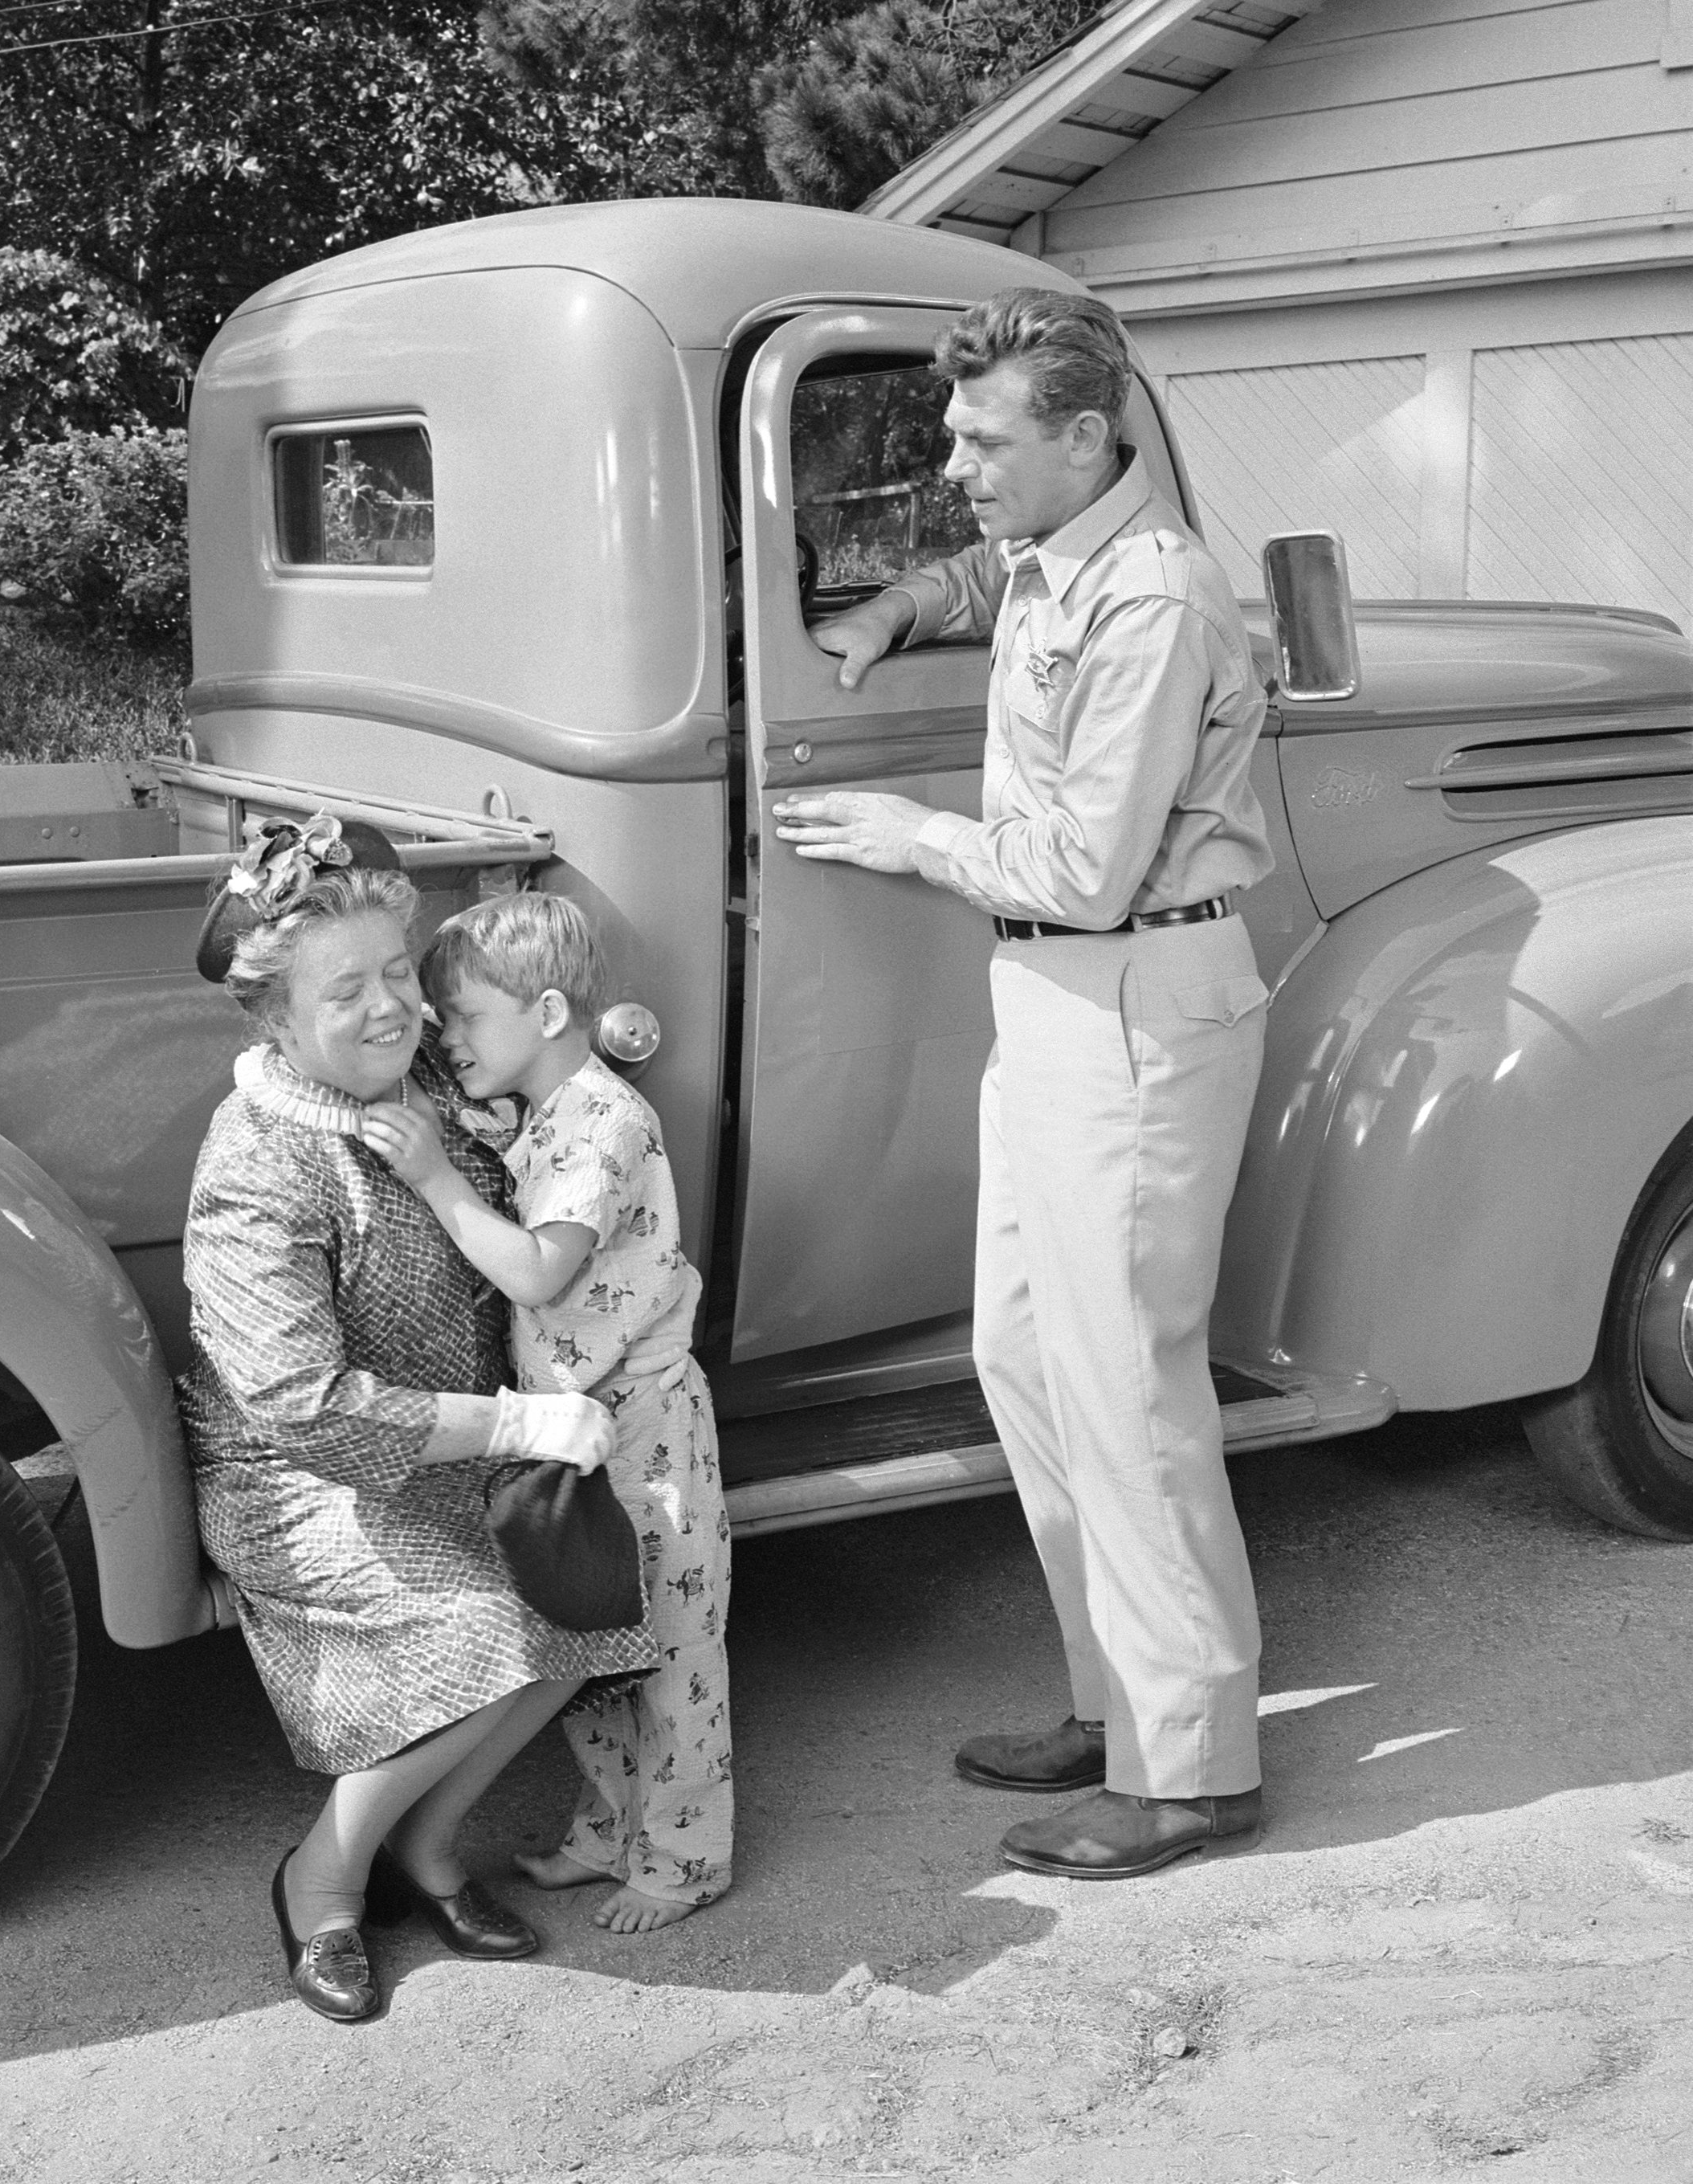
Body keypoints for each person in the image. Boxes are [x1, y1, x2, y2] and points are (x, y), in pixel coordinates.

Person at [771, 288, 1275, 1881]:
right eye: (951, 435)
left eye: (985, 440)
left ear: (1080, 434)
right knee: (1025, 1355)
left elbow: (1085, 869)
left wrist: (909, 834)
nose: (956, 462)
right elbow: (996, 569)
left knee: (1127, 1392)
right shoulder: (1063, 552)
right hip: (1059, 1010)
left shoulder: (1156, 599)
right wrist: (900, 606)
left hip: (1129, 990)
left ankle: (1192, 1767)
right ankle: (1115, 1697)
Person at [179, 818, 659, 2023]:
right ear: (279, 1024)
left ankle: (428, 1848)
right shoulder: (259, 1162)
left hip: (469, 1441)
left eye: (402, 971)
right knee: (494, 1628)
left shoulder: (431, 1077)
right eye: (351, 991)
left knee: (593, 1604)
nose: (399, 1007)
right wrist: (516, 1427)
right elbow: (301, 1407)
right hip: (308, 1475)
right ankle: (321, 1881)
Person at [360, 892, 733, 1934]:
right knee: (594, 1637)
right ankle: (610, 1831)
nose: (449, 1037)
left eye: (467, 1017)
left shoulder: (608, 1123)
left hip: (645, 1421)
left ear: (552, 1013)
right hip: (577, 1429)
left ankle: (686, 1859)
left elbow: (537, 1269)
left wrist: (436, 1180)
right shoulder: (545, 1118)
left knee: (673, 1647)